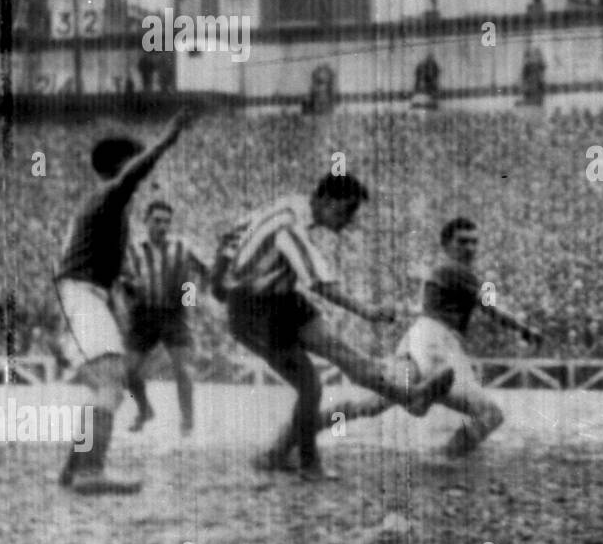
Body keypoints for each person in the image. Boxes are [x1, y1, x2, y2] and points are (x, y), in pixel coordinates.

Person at [214, 174, 454, 482]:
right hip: (252, 311)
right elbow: (322, 285)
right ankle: (308, 463)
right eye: (347, 210)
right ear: (326, 201)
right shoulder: (292, 227)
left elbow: (229, 236)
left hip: (283, 298)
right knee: (310, 386)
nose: (349, 220)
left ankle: (409, 396)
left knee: (341, 351)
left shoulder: (289, 204)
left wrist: (217, 279)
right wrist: (367, 312)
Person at [306, 217, 542, 458]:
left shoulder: (448, 272)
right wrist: (525, 330)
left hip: (421, 340)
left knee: (373, 404)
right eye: (463, 242)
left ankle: (302, 430)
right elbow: (491, 307)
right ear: (446, 244)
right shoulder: (454, 270)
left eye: (474, 242)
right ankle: (444, 457)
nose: (470, 248)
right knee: (489, 415)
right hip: (435, 343)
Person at [55, 109, 194, 494]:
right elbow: (133, 174)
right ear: (122, 167)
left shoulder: (104, 207)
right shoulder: (108, 195)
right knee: (112, 383)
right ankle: (90, 471)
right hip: (82, 296)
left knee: (106, 381)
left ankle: (74, 467)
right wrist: (168, 137)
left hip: (83, 296)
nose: (143, 177)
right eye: (136, 166)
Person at [119, 200, 210, 436]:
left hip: (174, 315)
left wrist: (191, 297)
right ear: (145, 220)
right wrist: (129, 289)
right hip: (143, 315)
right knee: (127, 371)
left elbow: (206, 272)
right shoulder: (131, 249)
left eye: (167, 221)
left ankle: (187, 423)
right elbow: (120, 280)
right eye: (157, 220)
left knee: (184, 369)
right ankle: (144, 409)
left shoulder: (183, 246)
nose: (162, 226)